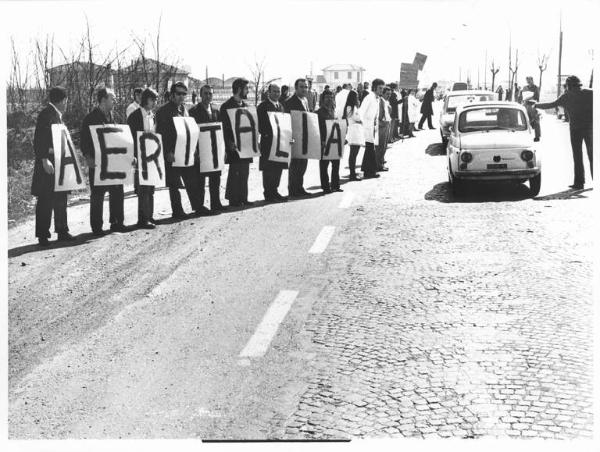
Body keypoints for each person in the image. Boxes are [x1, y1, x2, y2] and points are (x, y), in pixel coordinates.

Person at [80, 88, 128, 235]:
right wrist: (88, 157)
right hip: (98, 162)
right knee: (98, 194)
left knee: (117, 191)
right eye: (112, 98)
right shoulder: (90, 118)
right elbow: (84, 141)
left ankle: (117, 222)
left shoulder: (114, 117)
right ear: (103, 100)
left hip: (113, 161)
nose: (115, 101)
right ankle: (96, 227)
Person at [534, 75, 593, 190]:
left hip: (575, 129)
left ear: (569, 86)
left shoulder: (566, 96)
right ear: (579, 84)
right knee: (592, 155)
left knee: (577, 156)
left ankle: (579, 183)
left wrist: (535, 104)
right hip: (589, 128)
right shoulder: (590, 93)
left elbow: (550, 105)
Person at [31, 86, 73, 246]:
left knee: (61, 196)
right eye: (66, 100)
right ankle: (43, 235)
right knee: (45, 198)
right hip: (48, 162)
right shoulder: (46, 114)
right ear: (63, 100)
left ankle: (62, 230)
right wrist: (43, 159)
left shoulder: (56, 115)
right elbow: (39, 140)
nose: (67, 103)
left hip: (59, 161)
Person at [155, 81, 204, 218]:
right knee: (174, 184)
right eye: (178, 94)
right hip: (172, 153)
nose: (181, 97)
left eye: (184, 94)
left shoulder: (184, 110)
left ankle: (198, 207)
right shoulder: (163, 111)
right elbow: (161, 134)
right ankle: (177, 211)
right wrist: (166, 152)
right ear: (172, 94)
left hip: (185, 151)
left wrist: (193, 149)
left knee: (191, 181)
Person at [189, 85, 227, 213]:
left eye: (210, 94)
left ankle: (216, 203)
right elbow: (192, 133)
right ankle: (199, 206)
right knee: (200, 180)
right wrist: (195, 151)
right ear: (200, 95)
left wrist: (223, 150)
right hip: (201, 150)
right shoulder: (193, 111)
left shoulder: (216, 111)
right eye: (205, 93)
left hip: (215, 150)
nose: (208, 96)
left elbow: (221, 132)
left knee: (215, 177)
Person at [127, 87, 159, 229]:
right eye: (153, 100)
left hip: (151, 156)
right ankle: (142, 218)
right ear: (146, 100)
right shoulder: (134, 116)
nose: (155, 103)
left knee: (151, 187)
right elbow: (130, 138)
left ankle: (150, 215)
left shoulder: (153, 116)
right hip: (139, 156)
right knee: (143, 189)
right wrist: (133, 155)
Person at [220, 77, 254, 207]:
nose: (248, 91)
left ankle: (243, 197)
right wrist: (229, 143)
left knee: (245, 171)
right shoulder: (226, 106)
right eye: (246, 88)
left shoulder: (246, 106)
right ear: (239, 89)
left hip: (245, 144)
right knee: (235, 172)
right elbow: (224, 127)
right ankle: (233, 199)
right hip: (233, 145)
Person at [257, 83, 288, 203]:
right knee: (268, 168)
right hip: (268, 141)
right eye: (274, 91)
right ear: (268, 92)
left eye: (278, 91)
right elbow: (260, 125)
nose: (276, 94)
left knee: (278, 166)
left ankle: (275, 191)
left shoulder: (281, 106)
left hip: (279, 141)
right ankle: (268, 193)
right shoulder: (263, 107)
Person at [285, 78, 312, 198]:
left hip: (304, 137)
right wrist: (290, 139)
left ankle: (300, 187)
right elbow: (286, 121)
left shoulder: (305, 100)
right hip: (294, 137)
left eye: (306, 87)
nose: (304, 89)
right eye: (301, 87)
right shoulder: (289, 102)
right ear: (296, 88)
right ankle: (293, 190)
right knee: (295, 164)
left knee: (303, 164)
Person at [316, 90, 342, 193]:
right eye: (327, 97)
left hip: (335, 142)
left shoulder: (335, 111)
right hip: (324, 143)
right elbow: (316, 129)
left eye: (331, 97)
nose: (329, 99)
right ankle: (326, 187)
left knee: (336, 165)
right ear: (323, 99)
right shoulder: (318, 113)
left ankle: (336, 185)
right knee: (324, 166)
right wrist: (321, 141)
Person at [359, 78, 384, 179]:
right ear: (374, 87)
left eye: (382, 88)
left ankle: (367, 171)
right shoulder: (369, 97)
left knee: (370, 149)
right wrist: (362, 126)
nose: (381, 90)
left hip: (372, 127)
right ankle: (370, 172)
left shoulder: (376, 98)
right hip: (367, 126)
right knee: (370, 149)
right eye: (380, 88)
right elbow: (361, 111)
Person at [343, 89, 364, 180]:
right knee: (353, 154)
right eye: (356, 97)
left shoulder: (353, 107)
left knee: (355, 153)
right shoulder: (350, 107)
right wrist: (360, 119)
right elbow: (357, 118)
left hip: (357, 130)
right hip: (354, 131)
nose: (358, 98)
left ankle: (353, 173)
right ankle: (352, 174)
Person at [519, 76, 541, 141]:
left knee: (536, 120)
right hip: (525, 105)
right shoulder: (525, 88)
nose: (528, 82)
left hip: (533, 105)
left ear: (532, 80)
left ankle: (537, 136)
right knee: (525, 120)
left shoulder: (535, 88)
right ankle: (526, 135)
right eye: (527, 81)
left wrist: (531, 98)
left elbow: (537, 98)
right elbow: (521, 96)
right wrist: (522, 100)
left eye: (529, 80)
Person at [376, 87, 391, 171]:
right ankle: (379, 165)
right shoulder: (380, 101)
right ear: (383, 93)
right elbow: (379, 116)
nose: (388, 95)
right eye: (387, 94)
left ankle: (381, 162)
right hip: (382, 126)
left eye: (390, 94)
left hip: (386, 125)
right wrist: (382, 123)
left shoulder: (386, 101)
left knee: (384, 146)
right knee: (381, 147)